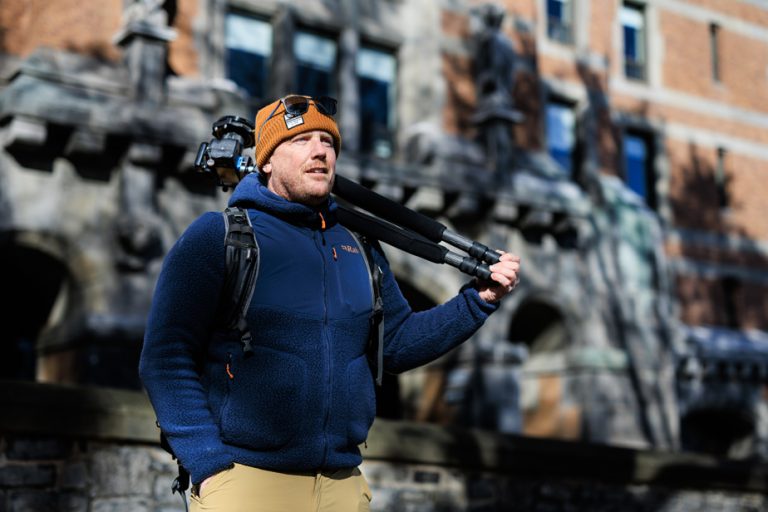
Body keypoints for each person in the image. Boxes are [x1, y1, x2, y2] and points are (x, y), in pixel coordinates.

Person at [139, 94, 521, 512]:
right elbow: (165, 357)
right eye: (301, 140)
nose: (320, 150)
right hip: (246, 482)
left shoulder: (359, 242)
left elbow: (395, 344)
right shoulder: (220, 236)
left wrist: (478, 301)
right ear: (265, 161)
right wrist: (208, 464)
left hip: (342, 485)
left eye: (328, 141)